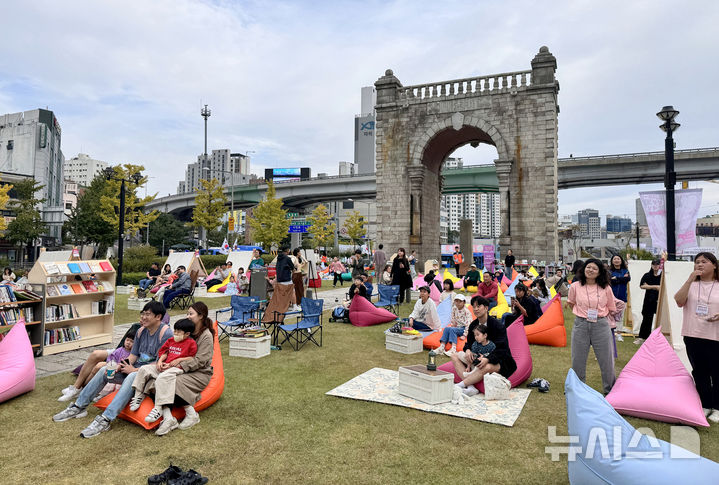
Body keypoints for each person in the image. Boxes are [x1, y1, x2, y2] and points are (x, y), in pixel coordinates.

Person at [53, 301, 173, 438]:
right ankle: (79, 406)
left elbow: (159, 363)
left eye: (148, 314)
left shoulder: (166, 334)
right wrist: (121, 365)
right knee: (105, 369)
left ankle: (106, 419)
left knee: (131, 377)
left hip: (151, 372)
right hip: (135, 368)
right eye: (143, 314)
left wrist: (132, 370)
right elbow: (134, 355)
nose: (143, 317)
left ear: (158, 317)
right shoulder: (140, 331)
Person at [139, 302, 216, 435]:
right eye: (187, 313)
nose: (188, 316)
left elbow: (200, 361)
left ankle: (191, 414)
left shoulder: (206, 336)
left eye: (191, 314)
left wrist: (177, 364)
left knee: (171, 382)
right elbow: (172, 349)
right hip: (176, 368)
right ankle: (169, 418)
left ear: (201, 316)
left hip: (198, 372)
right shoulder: (187, 331)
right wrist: (164, 360)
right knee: (153, 381)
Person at [674, 252, 719, 421]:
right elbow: (678, 301)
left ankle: (717, 407)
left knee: (717, 372)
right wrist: (689, 279)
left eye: (704, 262)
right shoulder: (691, 284)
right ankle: (705, 404)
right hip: (692, 334)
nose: (699, 264)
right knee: (699, 371)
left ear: (714, 265)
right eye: (697, 262)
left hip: (715, 335)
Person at [129, 318, 198, 423]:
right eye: (175, 330)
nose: (175, 333)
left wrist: (179, 359)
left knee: (162, 378)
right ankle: (138, 396)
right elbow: (164, 352)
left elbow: (192, 358)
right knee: (143, 369)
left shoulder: (191, 343)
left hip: (176, 368)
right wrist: (160, 361)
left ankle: (158, 408)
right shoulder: (171, 341)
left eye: (179, 332)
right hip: (165, 365)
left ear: (187, 333)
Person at [568, 258, 617, 394]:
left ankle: (610, 391)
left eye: (594, 268)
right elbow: (572, 303)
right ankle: (578, 391)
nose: (591, 270)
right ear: (583, 269)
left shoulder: (606, 288)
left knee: (606, 360)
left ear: (599, 272)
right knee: (578, 359)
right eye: (588, 267)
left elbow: (611, 306)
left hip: (601, 325)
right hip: (581, 324)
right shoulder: (575, 286)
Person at [450, 296, 517, 397]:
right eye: (474, 306)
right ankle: (471, 387)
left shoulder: (497, 326)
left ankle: (460, 385)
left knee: (486, 366)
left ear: (486, 308)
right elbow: (469, 343)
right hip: (477, 358)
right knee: (454, 356)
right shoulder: (473, 325)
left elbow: (502, 349)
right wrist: (468, 350)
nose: (476, 309)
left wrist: (487, 359)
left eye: (479, 306)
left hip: (499, 360)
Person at [58, 330, 136, 402]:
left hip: (122, 369)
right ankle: (77, 388)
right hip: (115, 361)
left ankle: (84, 389)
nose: (128, 343)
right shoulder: (121, 349)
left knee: (99, 366)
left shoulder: (135, 351)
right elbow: (113, 357)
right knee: (95, 354)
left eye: (131, 341)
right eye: (127, 340)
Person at [636, 259, 662, 344]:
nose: (655, 266)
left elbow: (663, 287)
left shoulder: (663, 276)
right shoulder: (647, 275)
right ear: (651, 265)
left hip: (660, 299)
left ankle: (659, 338)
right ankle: (642, 337)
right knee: (647, 318)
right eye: (654, 264)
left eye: (657, 264)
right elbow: (642, 286)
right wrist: (655, 287)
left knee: (661, 319)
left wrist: (649, 286)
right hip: (649, 299)